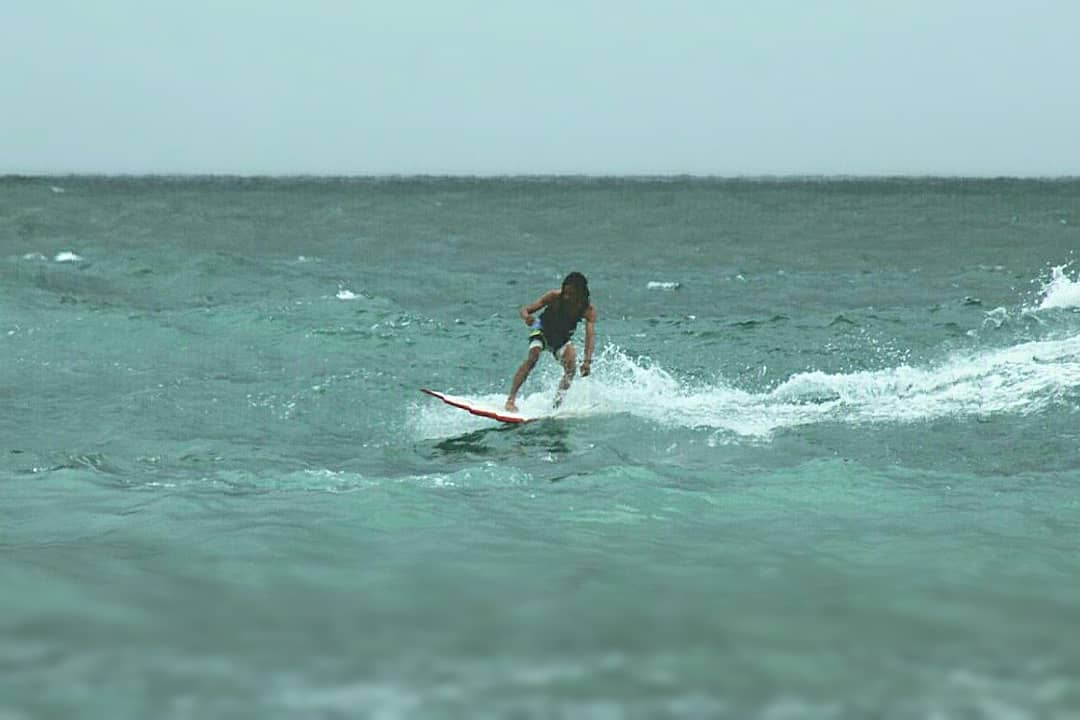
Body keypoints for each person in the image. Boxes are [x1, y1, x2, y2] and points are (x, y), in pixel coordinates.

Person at [505, 272, 597, 412]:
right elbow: (525, 310)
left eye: (571, 294)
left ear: (581, 294)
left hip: (561, 338)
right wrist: (527, 318)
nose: (567, 297)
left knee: (571, 369)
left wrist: (587, 361)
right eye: (565, 293)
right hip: (542, 329)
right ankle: (510, 400)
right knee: (533, 357)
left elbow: (590, 336)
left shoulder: (587, 309)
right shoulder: (554, 296)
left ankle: (555, 407)